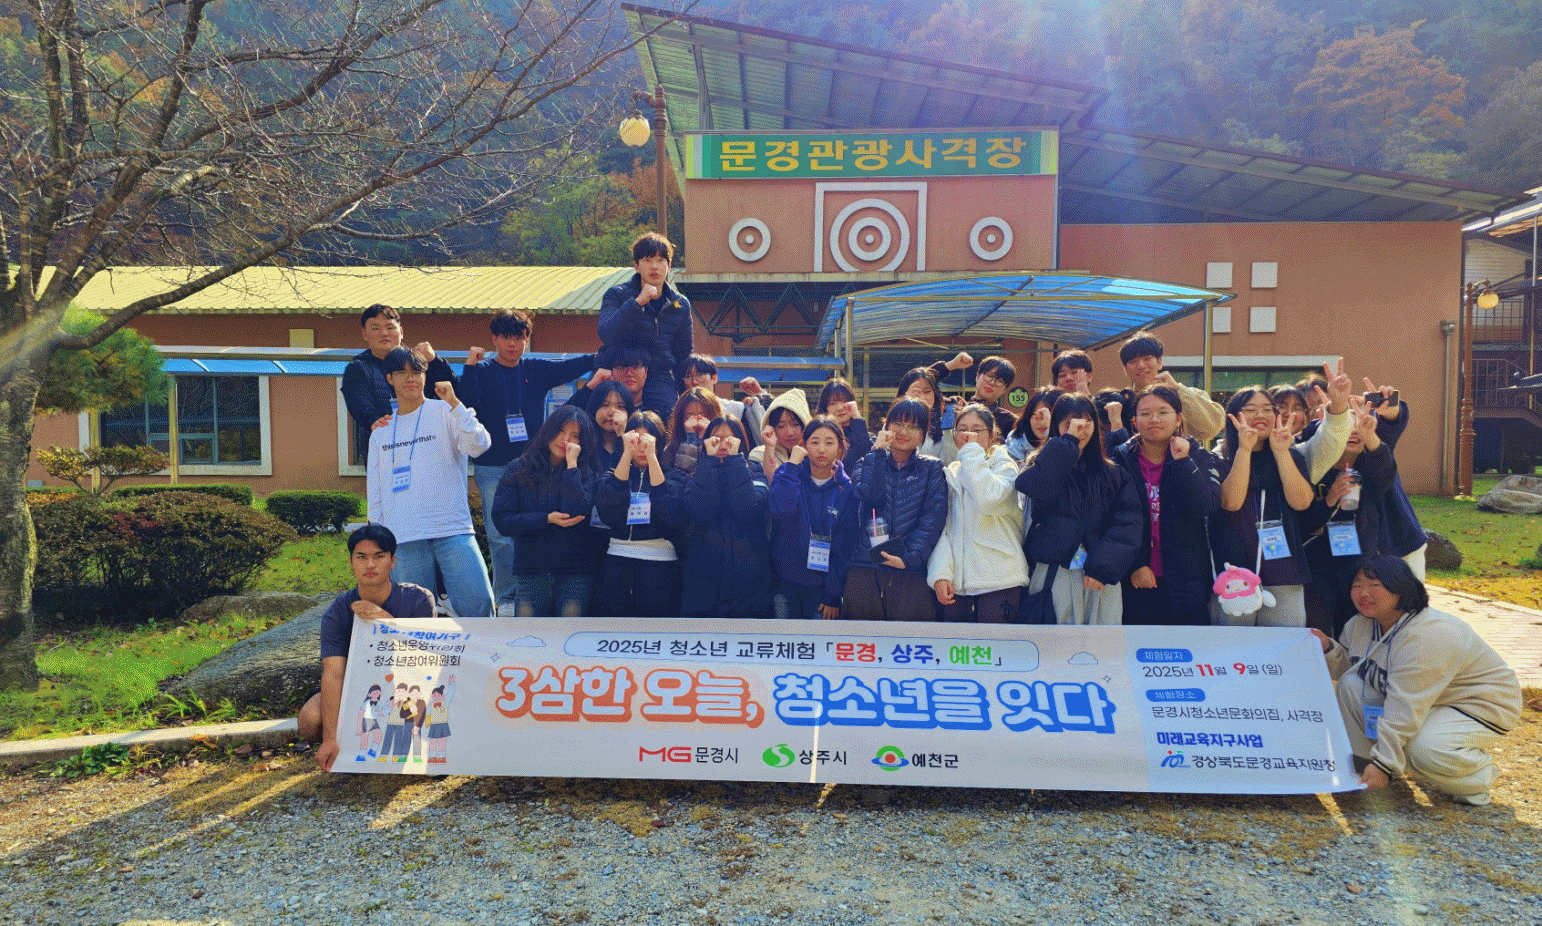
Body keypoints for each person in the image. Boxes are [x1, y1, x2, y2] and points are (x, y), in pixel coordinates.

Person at [1313, 555, 1521, 807]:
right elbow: (1355, 669)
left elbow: (1405, 707)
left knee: (1424, 751)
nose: (1363, 593)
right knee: (1351, 685)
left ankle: (1477, 778)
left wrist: (1386, 762)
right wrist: (1328, 648)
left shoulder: (1429, 633)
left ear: (1401, 588)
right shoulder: (1360, 624)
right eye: (1357, 585)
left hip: (1477, 703)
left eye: (1375, 585)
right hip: (1425, 699)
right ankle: (1365, 765)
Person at [459, 308, 595, 612]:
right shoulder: (482, 371)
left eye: (519, 338)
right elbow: (466, 404)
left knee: (540, 527)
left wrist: (609, 356)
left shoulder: (536, 368)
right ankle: (507, 600)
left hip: (534, 466)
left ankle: (534, 596)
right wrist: (469, 366)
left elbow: (578, 364)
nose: (513, 344)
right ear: (494, 339)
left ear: (526, 340)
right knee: (501, 536)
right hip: (493, 466)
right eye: (506, 337)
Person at [367, 347, 494, 618]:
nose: (410, 378)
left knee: (479, 606)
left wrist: (456, 405)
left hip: (452, 528)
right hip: (403, 535)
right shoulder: (381, 432)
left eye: (417, 372)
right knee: (415, 617)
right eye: (402, 373)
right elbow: (375, 491)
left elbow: (479, 445)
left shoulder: (445, 411)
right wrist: (379, 538)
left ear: (425, 375)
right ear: (389, 379)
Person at [298, 524, 436, 772]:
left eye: (379, 556)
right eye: (361, 557)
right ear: (351, 562)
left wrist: (384, 620)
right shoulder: (337, 612)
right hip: (357, 689)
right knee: (310, 719)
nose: (370, 565)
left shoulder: (418, 598)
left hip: (409, 684)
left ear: (392, 561)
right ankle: (348, 748)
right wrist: (330, 738)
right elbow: (333, 673)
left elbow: (425, 657)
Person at [1016, 393, 1143, 625]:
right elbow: (1035, 487)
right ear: (1056, 427)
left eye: (1086, 422)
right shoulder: (1041, 465)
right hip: (1053, 572)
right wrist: (1067, 443)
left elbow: (1127, 525)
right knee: (1053, 642)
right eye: (1069, 424)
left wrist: (1103, 567)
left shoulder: (1114, 474)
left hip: (1099, 576)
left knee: (1102, 641)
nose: (1079, 430)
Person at [1109, 386, 1220, 626]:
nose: (1154, 419)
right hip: (1135, 577)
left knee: (1187, 645)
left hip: (1186, 577)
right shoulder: (1119, 459)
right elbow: (1110, 518)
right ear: (1134, 421)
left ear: (1178, 418)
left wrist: (1182, 462)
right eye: (1145, 414)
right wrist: (1136, 565)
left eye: (1163, 412)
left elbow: (1204, 506)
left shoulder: (1198, 456)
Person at [1208, 387, 1314, 627]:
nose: (1260, 415)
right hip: (1233, 572)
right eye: (1251, 410)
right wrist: (1244, 449)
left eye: (1268, 409)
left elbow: (1301, 502)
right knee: (1233, 644)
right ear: (1234, 416)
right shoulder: (1219, 457)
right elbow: (1231, 503)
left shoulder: (1291, 454)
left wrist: (1281, 452)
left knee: (1284, 643)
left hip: (1283, 570)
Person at [491, 406, 601, 617]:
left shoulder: (587, 471)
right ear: (548, 430)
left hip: (575, 572)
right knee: (528, 634)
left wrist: (572, 466)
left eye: (575, 435)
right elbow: (502, 520)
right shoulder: (518, 468)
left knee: (569, 634)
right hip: (531, 572)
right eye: (560, 430)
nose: (565, 440)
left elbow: (577, 509)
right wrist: (545, 519)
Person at [845, 398, 948, 622]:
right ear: (887, 425)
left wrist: (909, 559)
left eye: (913, 426)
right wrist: (877, 453)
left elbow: (932, 520)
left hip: (911, 572)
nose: (904, 432)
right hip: (864, 566)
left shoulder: (931, 468)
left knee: (910, 638)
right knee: (862, 638)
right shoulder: (867, 461)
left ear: (923, 434)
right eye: (898, 423)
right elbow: (867, 497)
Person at [1300, 400, 1397, 636]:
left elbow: (1385, 473)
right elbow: (1302, 520)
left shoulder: (1370, 469)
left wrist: (1370, 435)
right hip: (1316, 565)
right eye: (1347, 426)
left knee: (1355, 631)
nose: (1354, 432)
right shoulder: (1309, 467)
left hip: (1357, 563)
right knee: (1318, 632)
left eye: (1359, 427)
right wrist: (1330, 499)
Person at [927, 404, 1028, 623]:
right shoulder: (950, 472)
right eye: (962, 429)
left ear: (992, 435)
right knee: (956, 643)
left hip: (1001, 579)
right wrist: (940, 574)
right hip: (957, 584)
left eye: (976, 430)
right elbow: (942, 528)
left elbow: (986, 499)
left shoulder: (1005, 466)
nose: (968, 435)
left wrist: (972, 451)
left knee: (996, 643)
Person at [594, 410, 686, 617]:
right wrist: (626, 453)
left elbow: (670, 511)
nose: (641, 447)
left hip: (660, 565)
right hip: (617, 561)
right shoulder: (615, 475)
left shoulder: (675, 478)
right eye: (636, 441)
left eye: (647, 441)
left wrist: (652, 458)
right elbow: (608, 509)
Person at [680, 416, 772, 619]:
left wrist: (734, 461)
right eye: (716, 438)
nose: (722, 445)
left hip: (749, 583)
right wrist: (710, 462)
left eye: (729, 439)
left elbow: (748, 510)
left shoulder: (755, 472)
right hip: (702, 582)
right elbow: (700, 510)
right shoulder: (697, 473)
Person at [340, 304, 456, 463]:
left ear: (401, 331)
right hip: (384, 447)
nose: (384, 333)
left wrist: (435, 361)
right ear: (364, 334)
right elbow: (357, 400)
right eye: (375, 328)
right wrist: (372, 420)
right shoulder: (358, 368)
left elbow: (453, 391)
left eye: (390, 327)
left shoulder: (420, 361)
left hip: (426, 443)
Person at [767, 417, 858, 620]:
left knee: (818, 639)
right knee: (783, 637)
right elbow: (780, 510)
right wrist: (792, 465)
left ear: (840, 446)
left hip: (821, 587)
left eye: (829, 442)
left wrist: (833, 595)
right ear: (804, 445)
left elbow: (844, 545)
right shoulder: (788, 473)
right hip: (783, 581)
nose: (821, 450)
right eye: (814, 442)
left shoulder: (846, 489)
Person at [597, 232, 692, 418]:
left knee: (666, 419)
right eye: (647, 260)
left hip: (658, 374)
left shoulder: (680, 304)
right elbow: (606, 334)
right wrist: (637, 303)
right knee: (608, 418)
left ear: (669, 266)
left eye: (660, 260)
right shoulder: (616, 294)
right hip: (620, 370)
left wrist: (687, 397)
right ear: (636, 266)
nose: (654, 266)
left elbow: (683, 354)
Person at [1114, 331, 1224, 443]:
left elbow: (1211, 429)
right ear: (1125, 369)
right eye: (1133, 361)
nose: (1141, 366)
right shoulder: (1120, 402)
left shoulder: (1188, 395)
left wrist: (1178, 390)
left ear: (1159, 362)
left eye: (1147, 359)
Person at [928, 352, 1018, 435]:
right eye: (989, 376)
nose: (992, 382)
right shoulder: (955, 406)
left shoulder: (1010, 421)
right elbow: (921, 383)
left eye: (999, 381)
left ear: (1005, 389)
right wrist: (951, 365)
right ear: (977, 376)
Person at [682, 353, 764, 441]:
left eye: (700, 375)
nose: (694, 381)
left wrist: (761, 395)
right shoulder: (680, 412)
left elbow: (763, 436)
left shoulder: (737, 410)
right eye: (688, 376)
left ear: (714, 378)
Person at [749, 387, 812, 484]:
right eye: (781, 426)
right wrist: (769, 448)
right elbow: (774, 485)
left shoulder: (815, 453)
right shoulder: (759, 454)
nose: (790, 433)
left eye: (795, 424)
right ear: (771, 427)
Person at [661, 386, 725, 477]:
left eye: (703, 416)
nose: (697, 422)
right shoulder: (671, 449)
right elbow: (679, 479)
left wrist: (706, 438)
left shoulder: (726, 445)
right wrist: (691, 440)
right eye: (689, 417)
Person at [815, 377, 873, 473]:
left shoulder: (866, 436)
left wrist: (857, 417)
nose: (840, 408)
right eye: (832, 403)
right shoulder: (818, 438)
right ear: (825, 408)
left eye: (844, 401)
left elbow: (869, 458)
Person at [894, 367, 946, 459]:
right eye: (916, 392)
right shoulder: (893, 424)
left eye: (927, 391)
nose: (922, 396)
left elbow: (952, 461)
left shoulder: (944, 425)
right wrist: (908, 406)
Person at [1005, 387, 1063, 462]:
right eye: (1035, 414)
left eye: (1048, 414)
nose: (1042, 421)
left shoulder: (1069, 446)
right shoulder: (1011, 448)